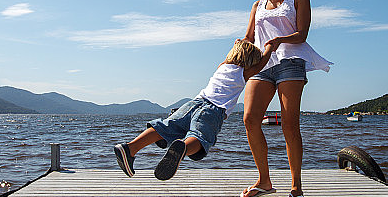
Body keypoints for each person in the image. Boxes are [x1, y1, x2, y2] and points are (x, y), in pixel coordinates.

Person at [241, 0, 332, 197]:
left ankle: (296, 186)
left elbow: (301, 34)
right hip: (262, 63)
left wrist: (280, 39)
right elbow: (250, 37)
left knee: (289, 124)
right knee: (249, 119)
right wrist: (241, 45)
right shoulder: (257, 5)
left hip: (290, 62)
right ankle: (264, 181)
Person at [114, 39, 274, 181]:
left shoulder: (222, 66)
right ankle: (182, 149)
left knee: (165, 127)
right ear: (249, 61)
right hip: (213, 110)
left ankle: (130, 148)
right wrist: (270, 47)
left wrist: (237, 45)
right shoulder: (244, 73)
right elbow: (261, 64)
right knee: (200, 138)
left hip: (194, 103)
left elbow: (229, 58)